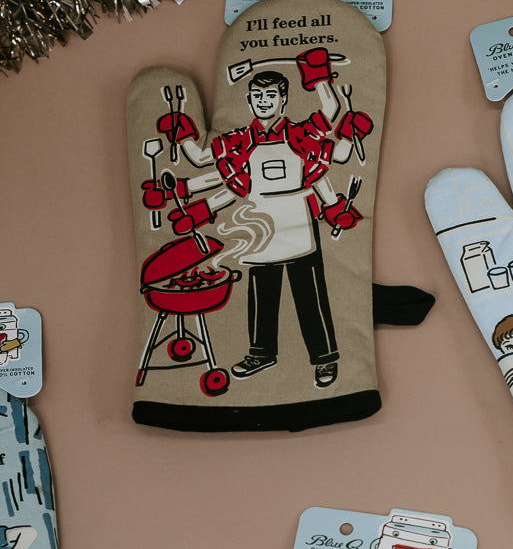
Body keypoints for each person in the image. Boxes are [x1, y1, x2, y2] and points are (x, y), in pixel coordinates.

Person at [149, 55, 367, 389]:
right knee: (262, 290)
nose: (263, 101)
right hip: (259, 222)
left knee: (309, 292)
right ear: (249, 100)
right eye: (257, 96)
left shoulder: (301, 134)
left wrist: (319, 74)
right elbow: (203, 160)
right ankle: (261, 353)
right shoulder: (240, 140)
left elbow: (332, 110)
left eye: (270, 96)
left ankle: (324, 358)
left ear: (283, 100)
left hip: (297, 219)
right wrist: (182, 135)